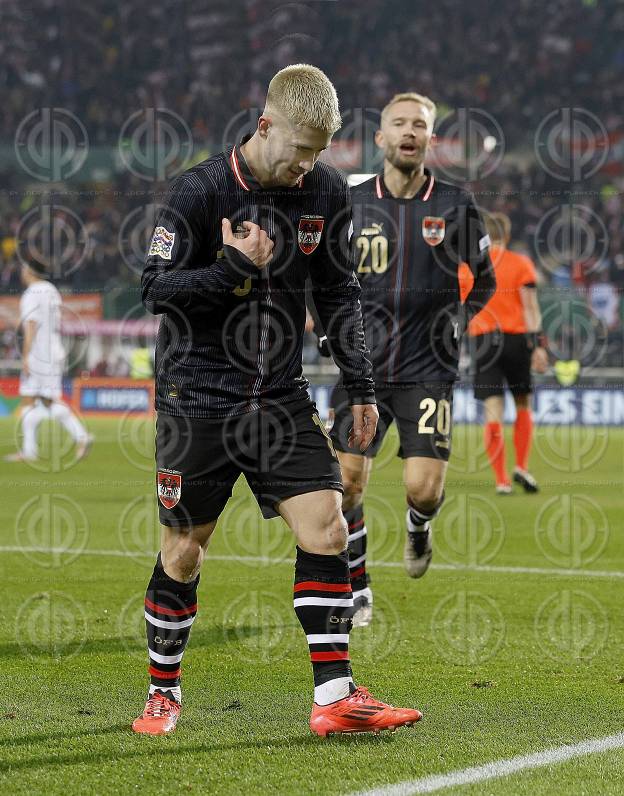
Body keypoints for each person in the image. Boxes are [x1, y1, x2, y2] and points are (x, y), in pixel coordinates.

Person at [132, 65, 422, 737]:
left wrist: (360, 384)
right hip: (197, 399)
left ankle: (335, 697)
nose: (308, 167)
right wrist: (232, 269)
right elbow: (154, 290)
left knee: (327, 524)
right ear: (266, 127)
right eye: (299, 152)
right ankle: (163, 691)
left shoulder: (322, 190)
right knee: (184, 552)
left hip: (281, 397)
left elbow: (339, 292)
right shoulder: (199, 193)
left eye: (319, 154)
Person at [323, 93, 496, 627]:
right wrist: (325, 323)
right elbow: (321, 270)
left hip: (427, 368)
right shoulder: (350, 202)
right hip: (361, 369)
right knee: (346, 486)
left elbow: (485, 279)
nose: (408, 132)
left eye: (419, 125)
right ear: (380, 138)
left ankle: (418, 526)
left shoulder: (454, 203)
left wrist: (459, 321)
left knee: (424, 489)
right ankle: (358, 586)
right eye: (398, 124)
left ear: (430, 138)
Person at [462, 212, 548, 494]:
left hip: (484, 342)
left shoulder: (468, 268)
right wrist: (538, 346)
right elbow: (531, 308)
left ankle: (501, 481)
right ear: (508, 235)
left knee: (492, 411)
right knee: (523, 403)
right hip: (516, 340)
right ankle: (521, 466)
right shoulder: (521, 264)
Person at [4, 261, 92, 463]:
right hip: (54, 349)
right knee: (36, 398)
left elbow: (31, 326)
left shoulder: (31, 294)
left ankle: (80, 437)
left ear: (30, 271)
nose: (22, 272)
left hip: (39, 353)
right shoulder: (52, 290)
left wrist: (25, 355)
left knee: (41, 399)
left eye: (24, 269)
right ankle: (30, 451)